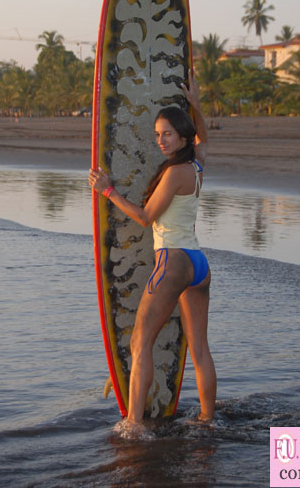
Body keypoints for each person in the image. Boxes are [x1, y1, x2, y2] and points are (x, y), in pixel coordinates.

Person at [88, 71, 217, 426]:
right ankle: (208, 421)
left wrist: (108, 191)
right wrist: (197, 105)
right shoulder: (196, 166)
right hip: (198, 263)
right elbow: (205, 140)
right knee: (200, 351)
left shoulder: (175, 173)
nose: (161, 141)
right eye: (158, 135)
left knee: (140, 344)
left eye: (167, 135)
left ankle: (134, 426)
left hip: (172, 261)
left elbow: (145, 217)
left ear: (181, 137)